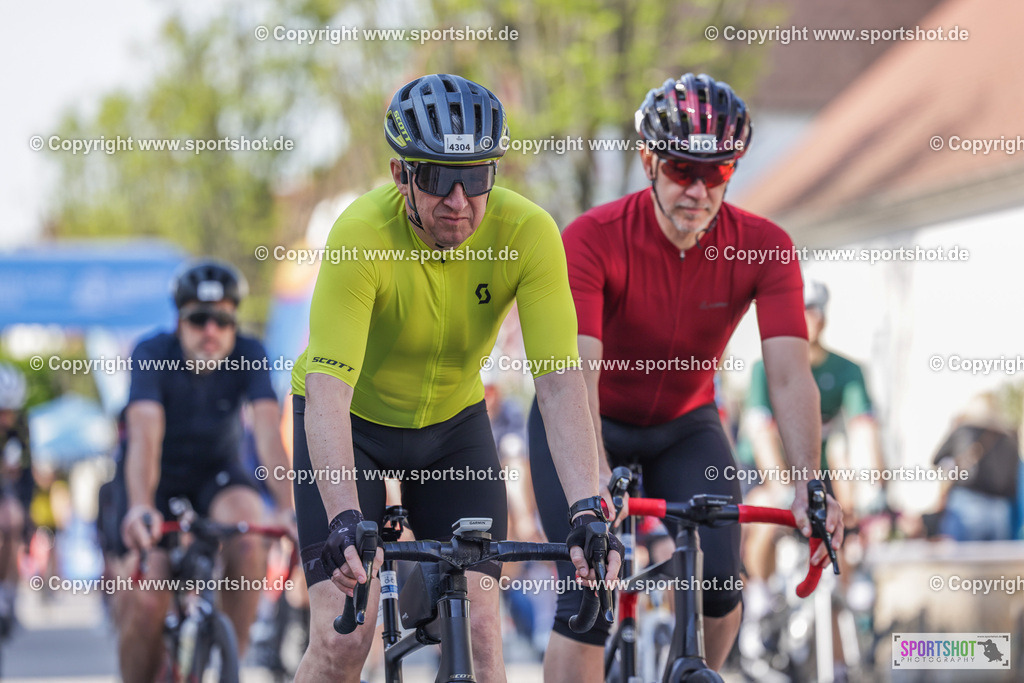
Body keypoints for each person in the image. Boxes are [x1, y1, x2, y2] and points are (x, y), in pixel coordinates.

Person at [289, 73, 621, 683]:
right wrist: (342, 518)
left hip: (452, 428)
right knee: (343, 641)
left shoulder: (529, 233)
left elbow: (557, 381)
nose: (459, 200)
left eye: (477, 177)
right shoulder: (361, 235)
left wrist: (586, 508)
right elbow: (330, 392)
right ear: (401, 175)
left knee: (480, 632)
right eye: (439, 178)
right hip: (351, 426)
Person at [528, 73, 844, 679]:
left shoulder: (766, 247)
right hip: (583, 418)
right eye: (681, 170)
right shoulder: (592, 239)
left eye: (718, 173)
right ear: (648, 160)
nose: (698, 189)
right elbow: (577, 374)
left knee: (723, 584)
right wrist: (593, 489)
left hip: (683, 425)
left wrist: (810, 483)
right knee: (588, 590)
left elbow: (788, 377)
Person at [115, 260, 295, 683]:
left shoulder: (250, 353)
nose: (211, 331)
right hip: (154, 482)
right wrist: (140, 506)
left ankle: (229, 661)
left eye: (223, 320)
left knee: (251, 534)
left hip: (216, 477)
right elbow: (144, 438)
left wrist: (289, 507)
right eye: (198, 319)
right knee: (146, 601)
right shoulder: (152, 353)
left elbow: (269, 435)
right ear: (179, 321)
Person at [932, 392, 1020, 541]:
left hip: (966, 502)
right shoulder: (1009, 439)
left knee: (962, 561)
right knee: (998, 562)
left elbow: (937, 459)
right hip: (1000, 509)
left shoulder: (964, 430)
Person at [0, 363, 34, 632]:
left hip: (7, 494)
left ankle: (8, 596)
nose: (5, 419)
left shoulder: (19, 431)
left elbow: (26, 475)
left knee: (12, 519)